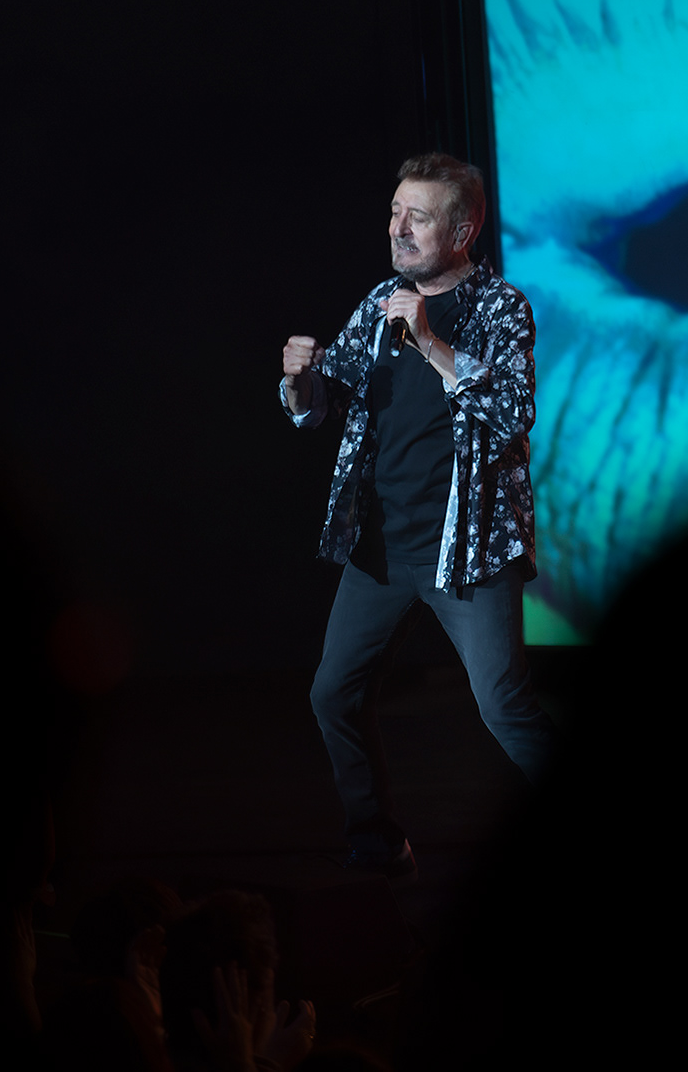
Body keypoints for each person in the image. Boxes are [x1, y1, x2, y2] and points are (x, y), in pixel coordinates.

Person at [280, 152, 557, 878]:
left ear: (462, 231)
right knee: (332, 694)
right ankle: (375, 840)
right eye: (395, 213)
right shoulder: (381, 302)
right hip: (382, 546)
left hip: (467, 550)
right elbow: (321, 403)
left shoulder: (500, 308)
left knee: (503, 707)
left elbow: (512, 412)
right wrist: (299, 380)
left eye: (419, 218)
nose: (398, 229)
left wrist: (432, 342)